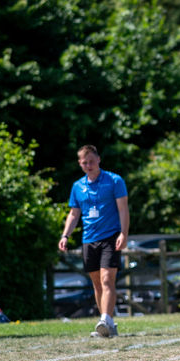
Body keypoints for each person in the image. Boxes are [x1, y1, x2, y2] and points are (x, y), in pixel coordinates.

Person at [58, 144, 129, 338]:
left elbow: (123, 209)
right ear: (80, 164)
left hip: (110, 236)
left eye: (91, 161)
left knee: (107, 280)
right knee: (97, 284)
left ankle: (105, 319)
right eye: (84, 163)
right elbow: (74, 214)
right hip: (89, 239)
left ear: (98, 159)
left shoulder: (114, 180)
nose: (88, 165)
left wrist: (123, 233)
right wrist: (65, 235)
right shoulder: (77, 186)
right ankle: (107, 323)